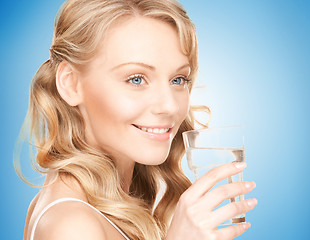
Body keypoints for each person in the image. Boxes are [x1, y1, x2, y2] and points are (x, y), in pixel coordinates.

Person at [16, 0, 257, 239]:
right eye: (136, 79)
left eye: (178, 80)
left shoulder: (95, 205)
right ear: (71, 83)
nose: (169, 106)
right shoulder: (73, 227)